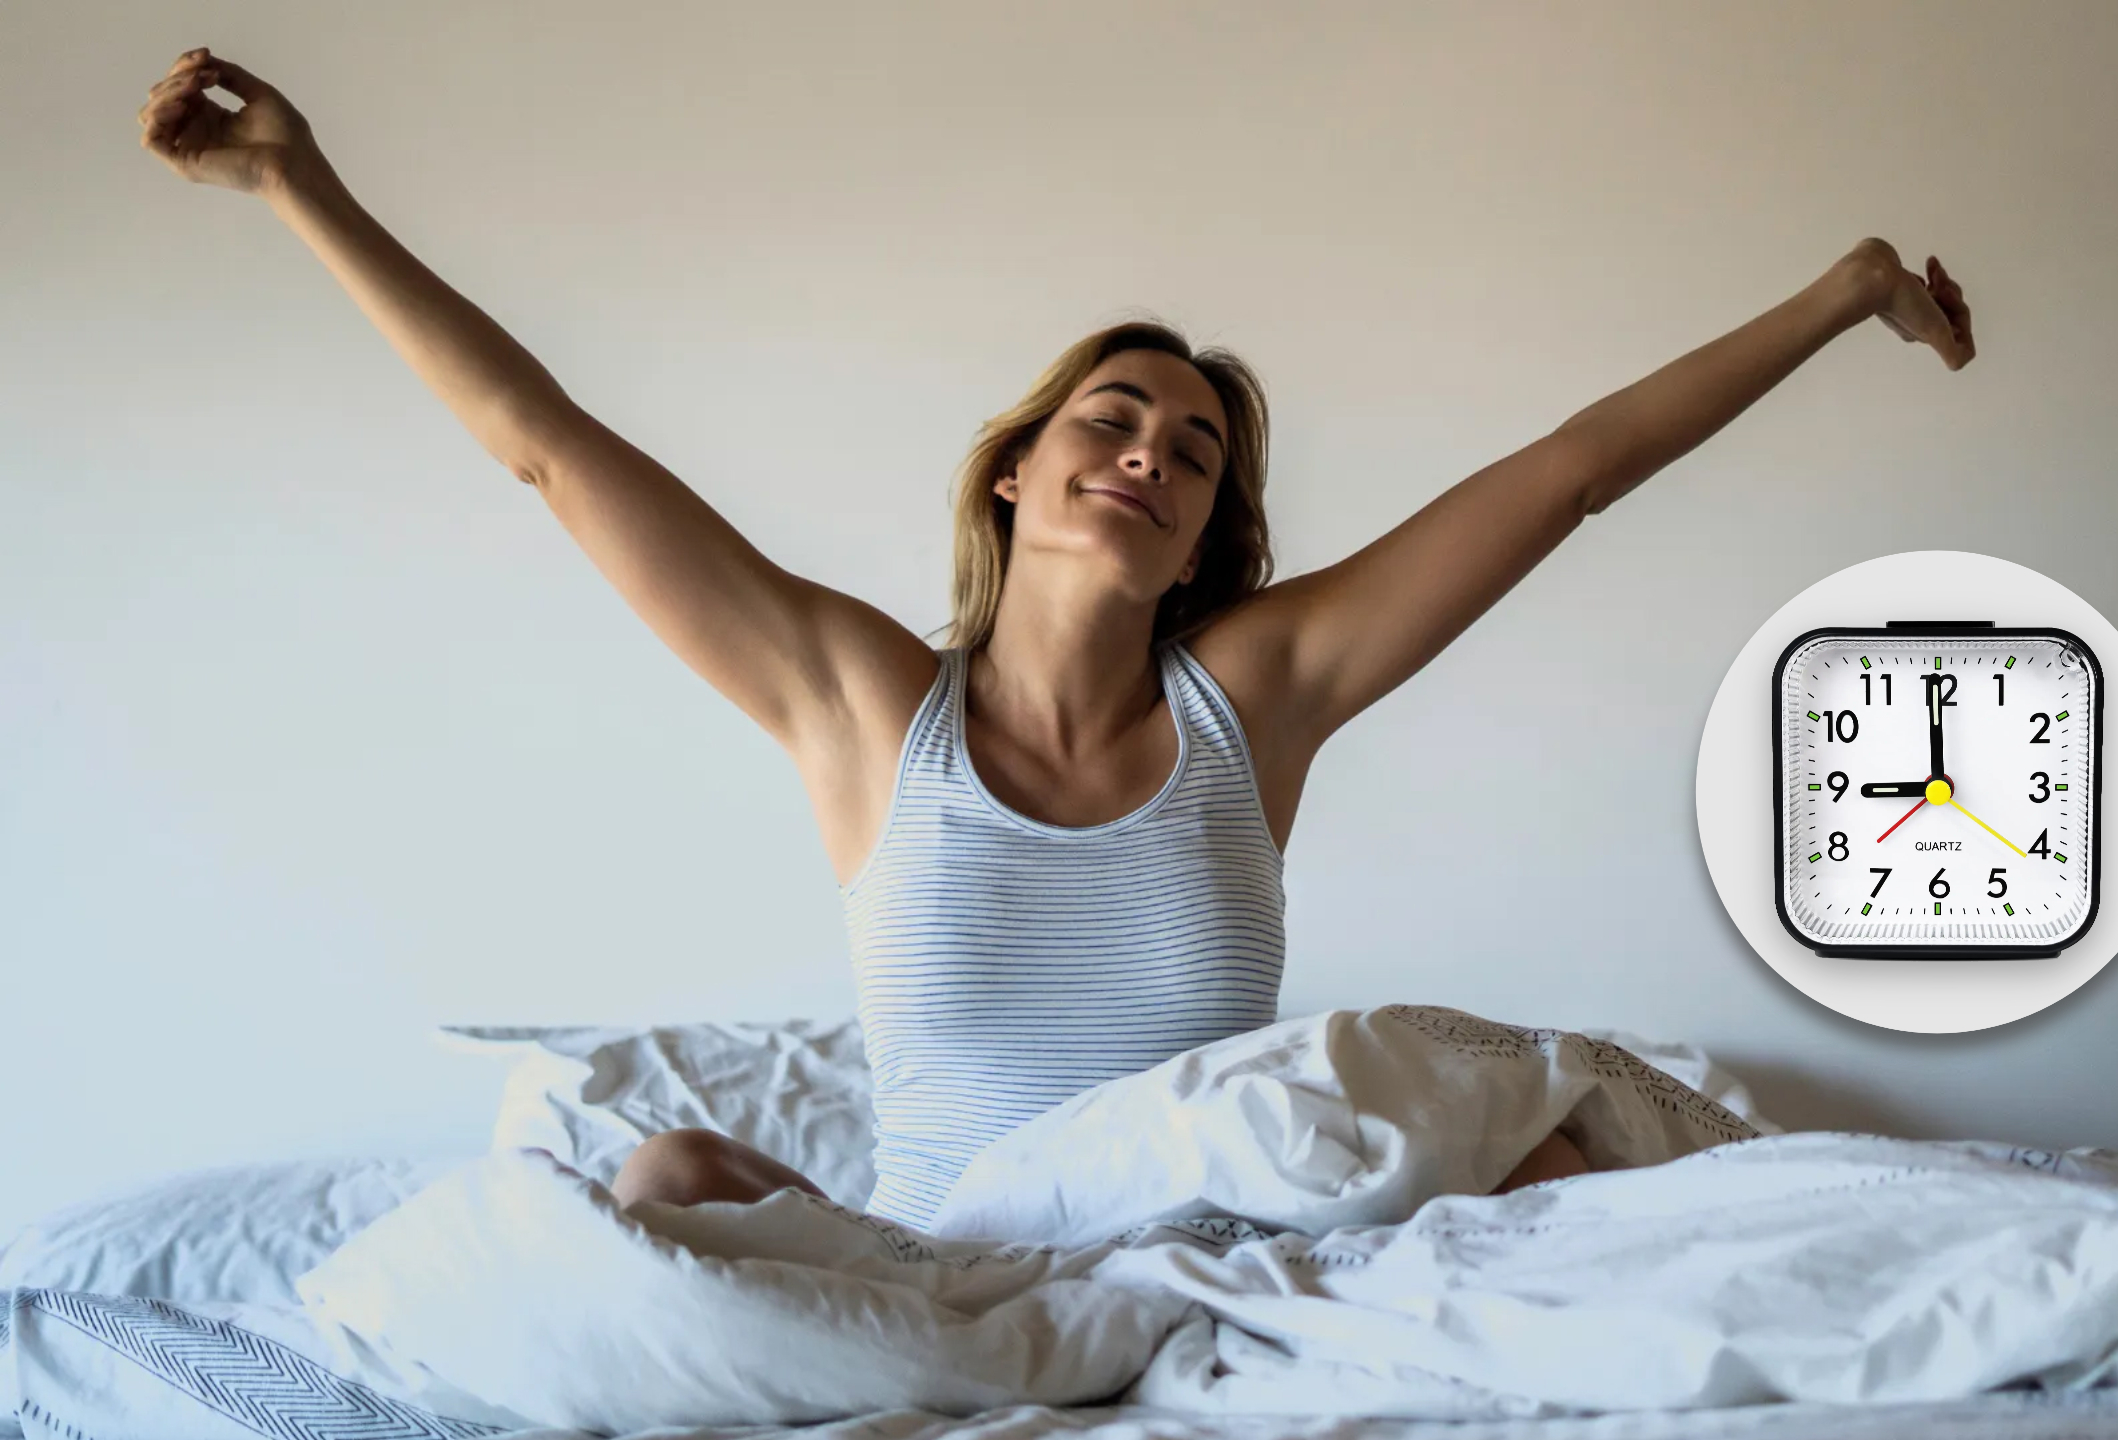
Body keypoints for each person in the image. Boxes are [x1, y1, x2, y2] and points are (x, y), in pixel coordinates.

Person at [137, 47, 1974, 1226]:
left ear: (1200, 538)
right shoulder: (864, 704)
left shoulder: (1257, 697)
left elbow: (1567, 474)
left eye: (1192, 452)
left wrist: (1840, 295)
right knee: (667, 1175)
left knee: (1550, 1154)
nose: (1150, 454)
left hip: (1228, 1249)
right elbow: (546, 445)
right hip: (966, 1267)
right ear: (1016, 469)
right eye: (1112, 416)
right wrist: (299, 182)